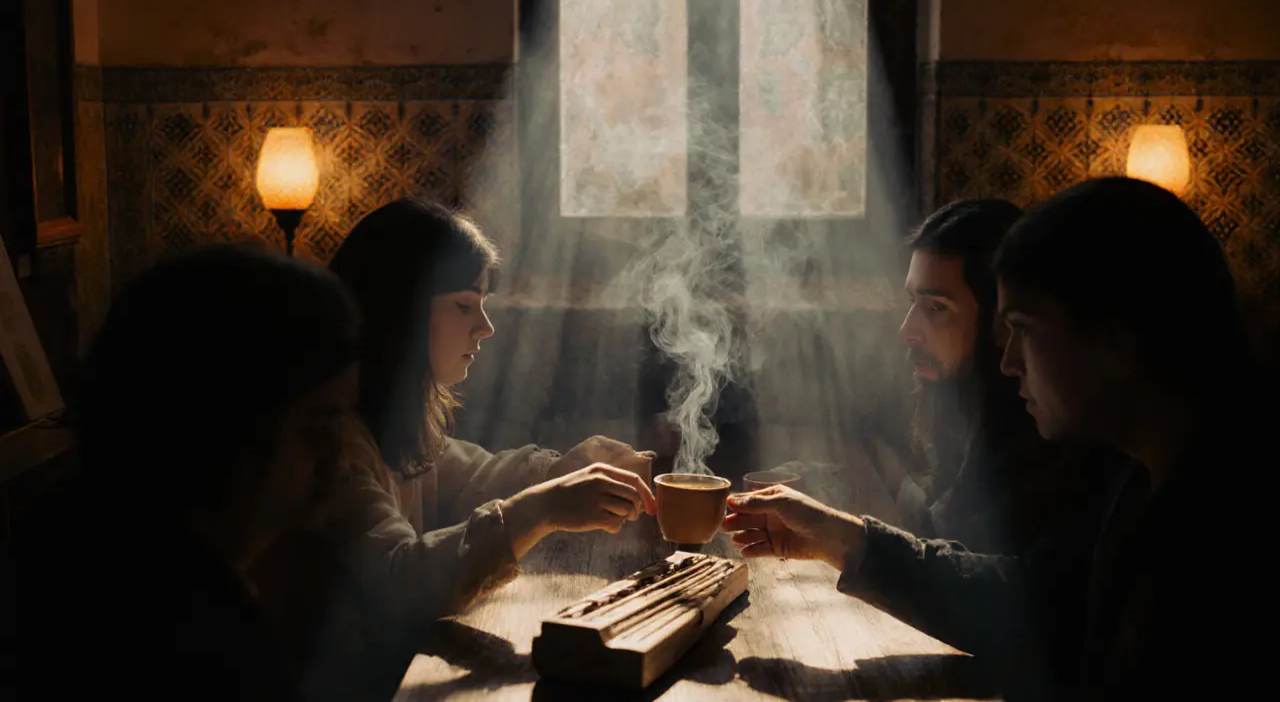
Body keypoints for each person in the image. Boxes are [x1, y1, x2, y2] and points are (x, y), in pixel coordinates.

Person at [723, 177, 1264, 700]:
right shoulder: (1145, 476)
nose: (1008, 359)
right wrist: (840, 537)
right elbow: (1032, 596)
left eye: (1024, 329)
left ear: (1117, 343)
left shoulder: (1223, 520)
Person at [250, 198, 659, 700]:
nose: (484, 327)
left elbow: (471, 475)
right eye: (465, 305)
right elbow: (397, 577)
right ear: (399, 309)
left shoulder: (394, 422)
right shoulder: (333, 443)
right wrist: (543, 506)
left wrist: (565, 471)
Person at [13, 244, 362, 700]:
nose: (341, 459)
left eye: (342, 420)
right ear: (221, 421)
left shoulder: (77, 529)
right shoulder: (164, 625)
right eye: (315, 425)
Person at [878, 198, 1118, 552]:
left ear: (999, 314)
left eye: (936, 308)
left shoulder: (1045, 426)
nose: (907, 331)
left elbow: (962, 548)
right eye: (912, 301)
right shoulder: (964, 399)